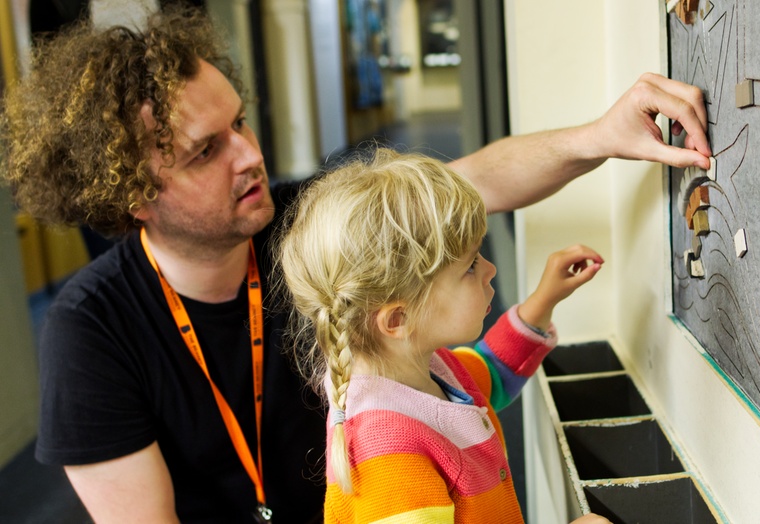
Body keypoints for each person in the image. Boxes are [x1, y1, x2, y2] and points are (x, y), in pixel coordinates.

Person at [0, 4, 709, 524]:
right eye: (205, 151)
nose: (250, 154)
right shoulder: (90, 332)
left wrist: (600, 136)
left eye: (240, 122)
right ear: (133, 197)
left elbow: (468, 184)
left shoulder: (308, 227)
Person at [278, 149, 609, 523]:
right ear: (398, 318)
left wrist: (543, 301)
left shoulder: (426, 368)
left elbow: (492, 373)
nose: (490, 269)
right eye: (470, 266)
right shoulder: (389, 456)